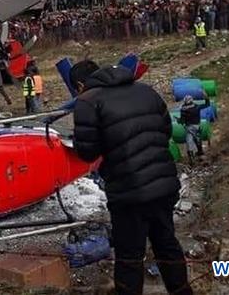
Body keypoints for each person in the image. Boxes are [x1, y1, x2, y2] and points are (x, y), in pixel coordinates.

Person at [71, 60, 191, 295]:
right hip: (164, 183)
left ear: (79, 85)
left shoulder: (87, 101)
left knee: (129, 257)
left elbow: (87, 153)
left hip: (128, 191)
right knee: (167, 245)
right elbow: (165, 130)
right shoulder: (146, 91)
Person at [178, 96, 205, 163]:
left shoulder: (183, 109)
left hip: (189, 127)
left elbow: (182, 120)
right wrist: (206, 98)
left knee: (189, 141)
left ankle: (192, 159)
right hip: (197, 126)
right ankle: (200, 154)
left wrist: (179, 121)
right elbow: (207, 104)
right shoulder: (196, 107)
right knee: (198, 140)